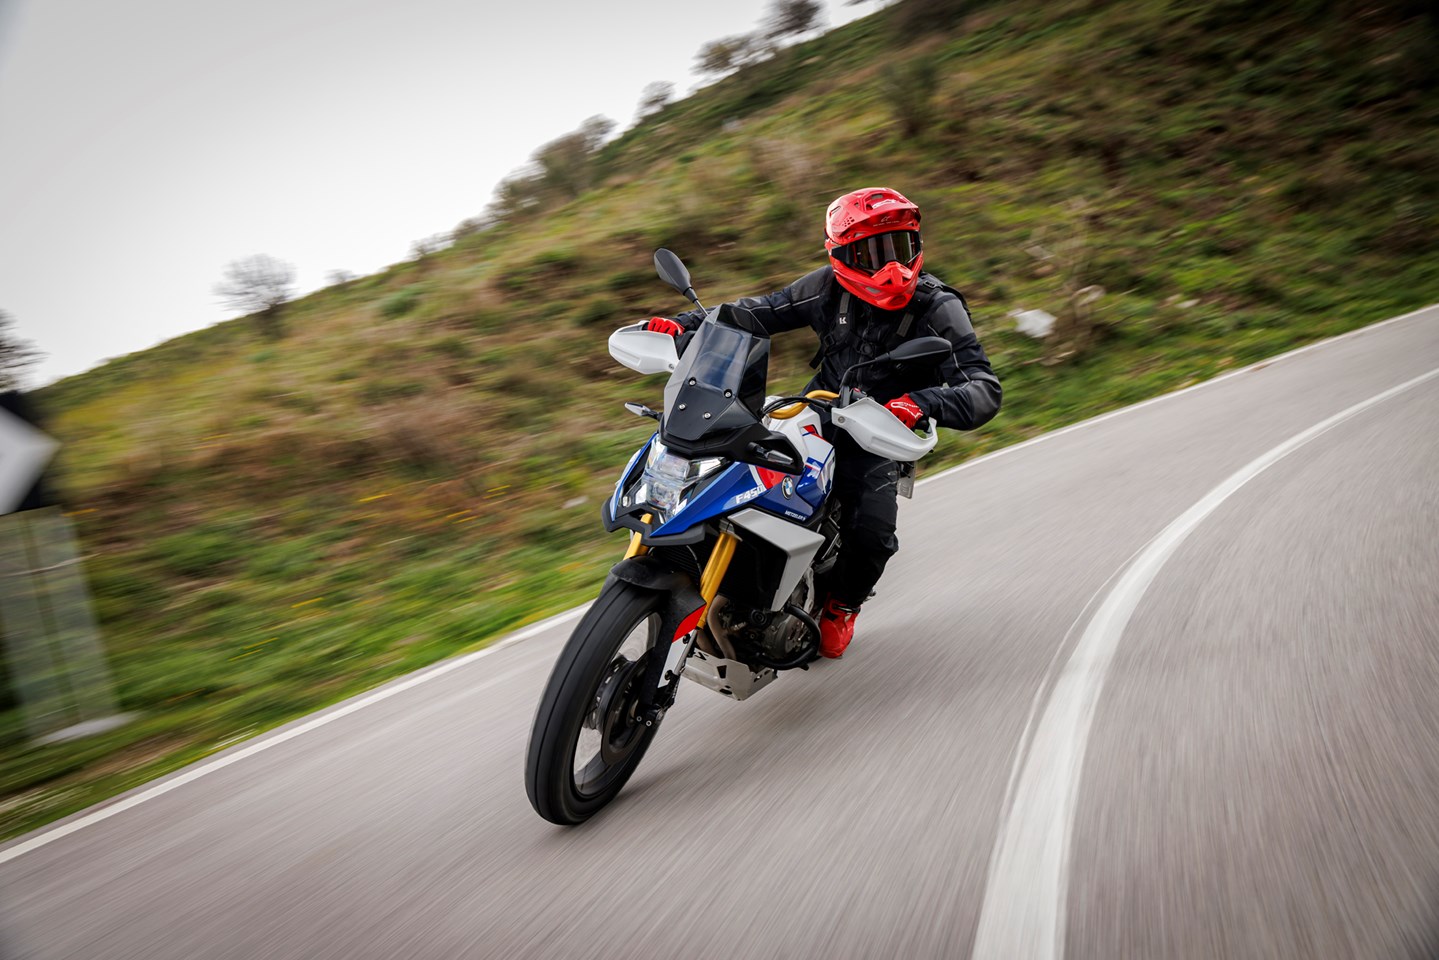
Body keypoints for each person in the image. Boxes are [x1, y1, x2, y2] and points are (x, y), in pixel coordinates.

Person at [643, 187, 1001, 658]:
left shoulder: (938, 307)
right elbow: (755, 312)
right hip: (817, 409)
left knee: (872, 534)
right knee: (734, 475)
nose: (892, 268)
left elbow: (983, 388)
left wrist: (921, 402)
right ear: (841, 257)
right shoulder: (826, 287)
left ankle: (841, 606)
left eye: (900, 247)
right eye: (873, 254)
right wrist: (686, 324)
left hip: (879, 432)